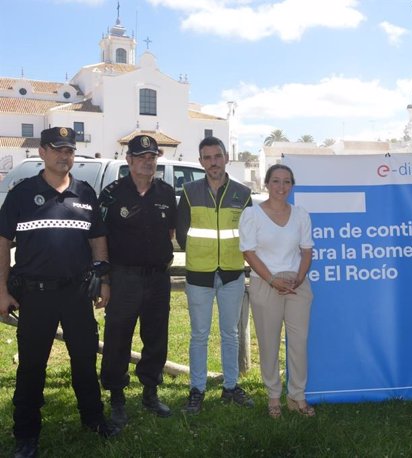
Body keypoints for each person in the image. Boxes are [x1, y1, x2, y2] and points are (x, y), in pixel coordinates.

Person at [0, 127, 119, 458]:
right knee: (32, 367)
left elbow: (98, 240)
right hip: (35, 295)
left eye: (69, 149)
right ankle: (26, 434)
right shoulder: (23, 193)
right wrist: (0, 289)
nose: (64, 155)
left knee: (84, 361)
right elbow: (3, 241)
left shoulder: (85, 193)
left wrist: (104, 280)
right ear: (42, 152)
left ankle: (93, 420)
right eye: (57, 149)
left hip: (78, 293)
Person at [99, 135, 177, 426]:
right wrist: (105, 279)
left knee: (156, 337)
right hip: (123, 277)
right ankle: (117, 397)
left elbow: (169, 232)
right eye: (141, 156)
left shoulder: (166, 193)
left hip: (157, 278)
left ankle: (150, 392)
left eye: (152, 156)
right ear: (128, 160)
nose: (148, 161)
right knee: (118, 338)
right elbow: (99, 238)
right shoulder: (111, 193)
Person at [176, 136, 254, 414]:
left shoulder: (242, 194)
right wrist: (200, 255)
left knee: (230, 333)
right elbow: (182, 231)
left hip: (232, 273)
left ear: (226, 158)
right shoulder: (188, 191)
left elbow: (249, 233)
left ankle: (231, 387)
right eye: (207, 158)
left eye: (217, 156)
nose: (213, 162)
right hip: (199, 274)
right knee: (199, 334)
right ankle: (197, 390)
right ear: (200, 162)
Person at [239, 164, 315, 418]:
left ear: (292, 185)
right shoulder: (252, 215)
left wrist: (299, 278)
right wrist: (272, 280)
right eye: (275, 181)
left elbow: (306, 250)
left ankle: (297, 397)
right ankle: (273, 397)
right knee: (268, 343)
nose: (281, 187)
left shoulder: (301, 214)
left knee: (298, 343)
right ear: (267, 184)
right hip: (265, 283)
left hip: (297, 285)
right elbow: (248, 252)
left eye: (286, 182)